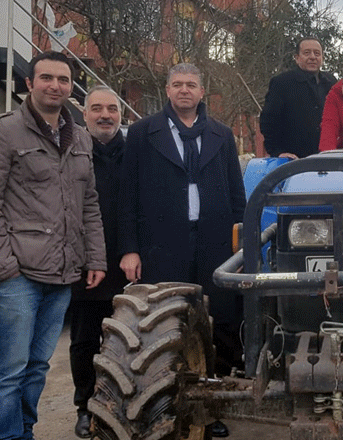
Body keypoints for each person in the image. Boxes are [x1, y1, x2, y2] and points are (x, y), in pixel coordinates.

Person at [0, 51, 107, 440]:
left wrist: (94, 257)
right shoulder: (1, 131)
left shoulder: (80, 136)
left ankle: (23, 432)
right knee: (8, 369)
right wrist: (2, 267)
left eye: (63, 80)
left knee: (36, 366)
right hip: (18, 274)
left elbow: (90, 204)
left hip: (63, 272)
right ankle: (1, 437)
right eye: (46, 78)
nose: (55, 86)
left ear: (71, 87)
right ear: (29, 84)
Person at [118, 63, 246, 438]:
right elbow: (128, 196)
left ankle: (215, 407)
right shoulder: (143, 133)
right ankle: (164, 408)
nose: (184, 90)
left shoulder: (222, 135)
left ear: (201, 91)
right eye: (178, 84)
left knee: (219, 326)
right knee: (164, 330)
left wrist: (240, 248)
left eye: (191, 84)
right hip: (162, 243)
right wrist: (130, 249)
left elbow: (237, 197)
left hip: (215, 244)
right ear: (168, 90)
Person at [67, 85, 127, 438]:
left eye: (112, 109)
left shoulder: (135, 152)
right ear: (85, 113)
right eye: (97, 108)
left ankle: (120, 403)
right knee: (86, 341)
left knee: (127, 341)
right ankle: (86, 407)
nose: (105, 115)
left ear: (120, 114)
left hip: (128, 261)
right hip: (86, 262)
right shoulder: (74, 150)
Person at [260, 37, 337, 159]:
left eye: (317, 53)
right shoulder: (282, 83)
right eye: (307, 53)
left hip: (327, 157)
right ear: (297, 58)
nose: (312, 57)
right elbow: (268, 121)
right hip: (292, 160)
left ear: (322, 58)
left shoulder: (331, 83)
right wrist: (277, 152)